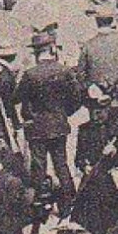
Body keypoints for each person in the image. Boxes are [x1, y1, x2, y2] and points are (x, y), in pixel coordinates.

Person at [14, 31, 83, 204]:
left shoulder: (31, 74)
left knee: (38, 165)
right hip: (59, 124)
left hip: (37, 127)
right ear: (52, 49)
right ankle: (69, 199)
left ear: (36, 53)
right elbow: (76, 98)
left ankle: (39, 201)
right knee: (61, 163)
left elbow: (16, 97)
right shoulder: (64, 71)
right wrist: (64, 113)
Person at [77, 5, 118, 162]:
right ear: (112, 21)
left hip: (97, 100)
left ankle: (101, 173)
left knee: (98, 138)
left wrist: (93, 86)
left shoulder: (88, 45)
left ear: (96, 22)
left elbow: (80, 75)